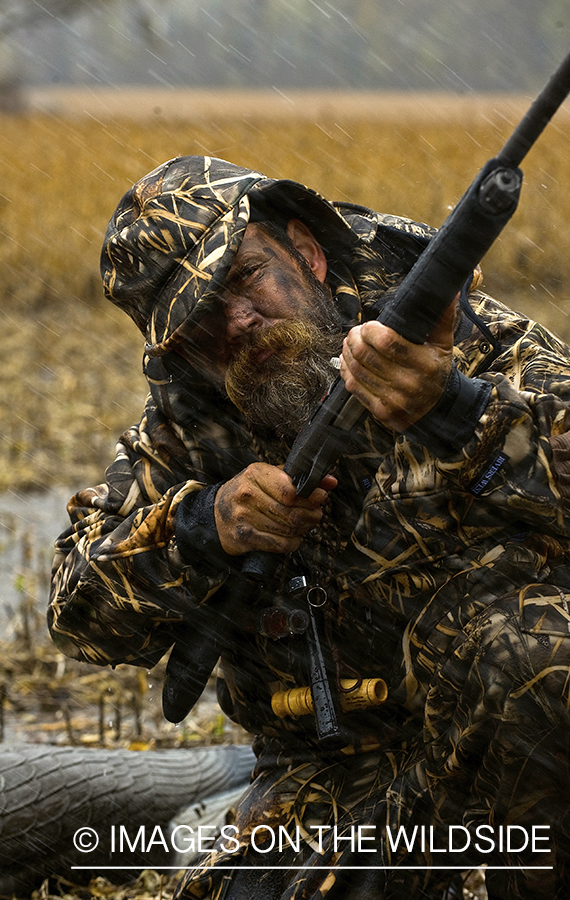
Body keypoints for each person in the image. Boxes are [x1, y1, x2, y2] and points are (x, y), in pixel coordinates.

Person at [48, 155, 570, 900]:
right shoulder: (185, 436)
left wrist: (458, 412)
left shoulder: (464, 341)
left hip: (508, 732)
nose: (235, 322)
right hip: (327, 769)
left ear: (309, 250)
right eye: (199, 323)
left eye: (243, 277)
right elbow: (77, 616)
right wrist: (205, 524)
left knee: (539, 659)